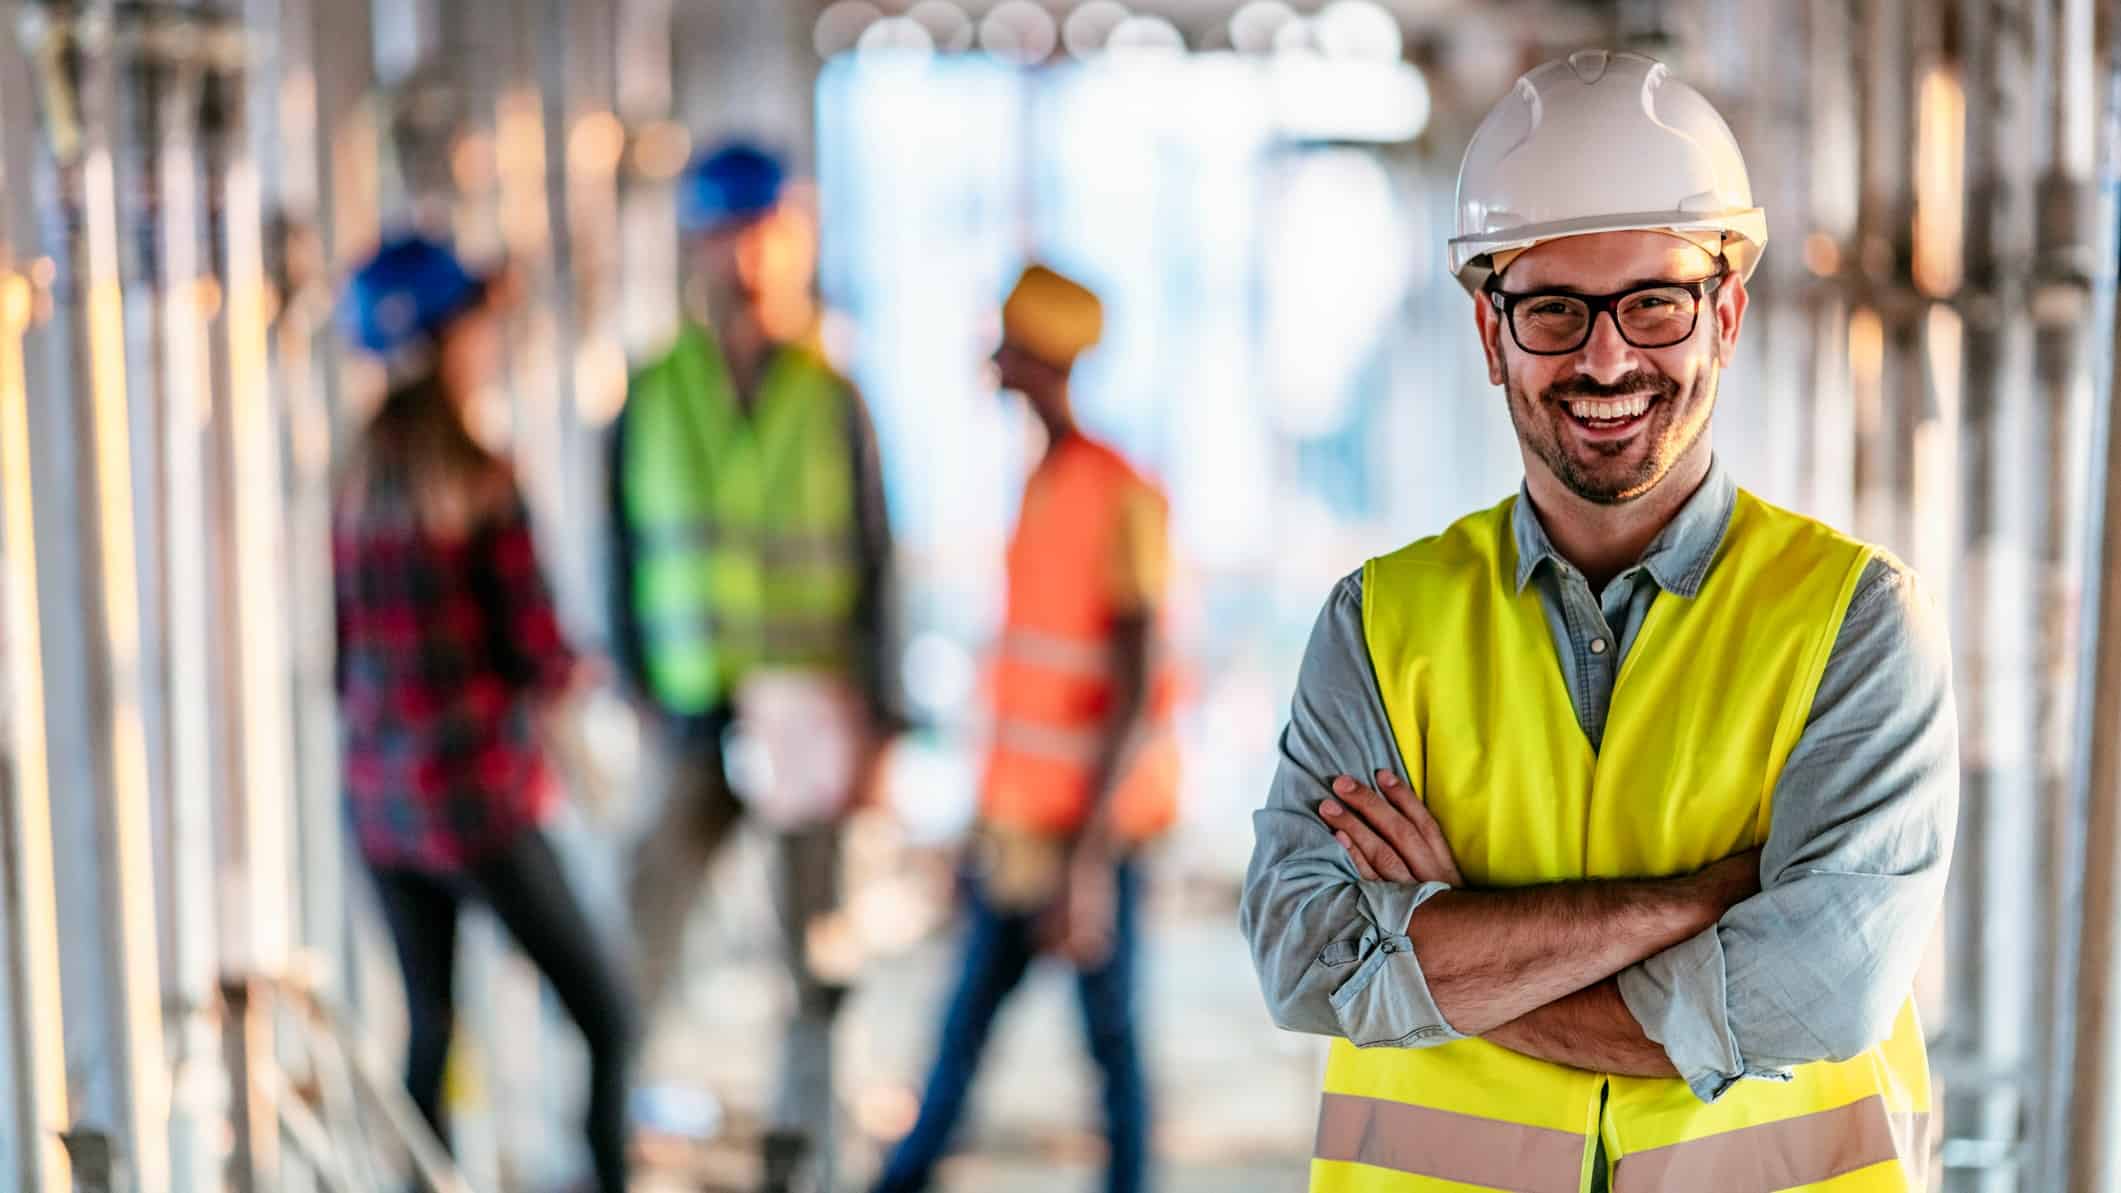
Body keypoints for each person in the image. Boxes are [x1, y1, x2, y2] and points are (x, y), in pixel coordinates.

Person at [1240, 49, 1958, 1192]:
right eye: (1555, 309)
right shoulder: (1379, 623)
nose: (1608, 356)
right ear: (1491, 334)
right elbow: (1305, 958)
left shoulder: (1855, 625)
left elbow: (1821, 989)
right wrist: (1688, 907)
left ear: (1724, 313)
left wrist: (1445, 952)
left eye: (1655, 302)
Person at [608, 138, 899, 1192]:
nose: (744, 259)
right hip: (689, 711)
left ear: (794, 240)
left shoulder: (832, 397)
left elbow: (875, 562)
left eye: (763, 234)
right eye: (726, 233)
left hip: (810, 716)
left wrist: (881, 723)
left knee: (816, 956)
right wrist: (639, 691)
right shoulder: (650, 393)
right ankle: (604, 1141)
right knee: (636, 935)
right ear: (696, 243)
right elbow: (620, 549)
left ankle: (808, 1154)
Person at [333, 235, 636, 1193]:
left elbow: (340, 661)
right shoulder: (480, 479)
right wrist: (589, 670)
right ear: (444, 341)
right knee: (606, 1013)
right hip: (477, 806)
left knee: (430, 1027)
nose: (488, 339)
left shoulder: (354, 482)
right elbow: (535, 653)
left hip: (382, 809)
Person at [872, 264, 1177, 1193]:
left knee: (1110, 1048)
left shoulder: (1117, 491)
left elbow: (1133, 686)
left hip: (1088, 833)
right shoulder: (1044, 480)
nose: (991, 356)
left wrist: (1084, 858)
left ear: (1040, 358)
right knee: (964, 1035)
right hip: (1020, 828)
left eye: (1006, 340)